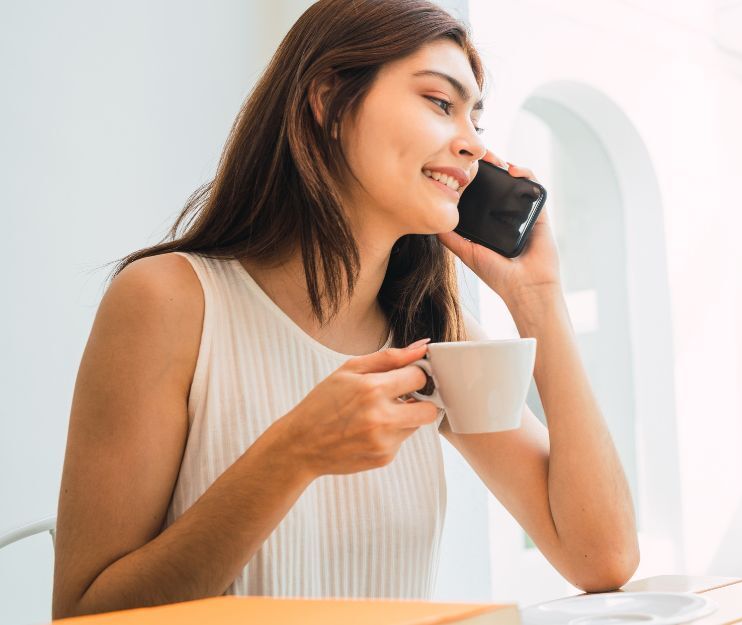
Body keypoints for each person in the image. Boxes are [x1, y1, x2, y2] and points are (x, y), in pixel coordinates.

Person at [51, 0, 639, 617]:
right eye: (441, 103)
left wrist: (537, 299)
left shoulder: (435, 334)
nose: (471, 145)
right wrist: (292, 454)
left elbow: (600, 558)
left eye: (476, 119)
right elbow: (84, 613)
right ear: (329, 101)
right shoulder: (166, 301)